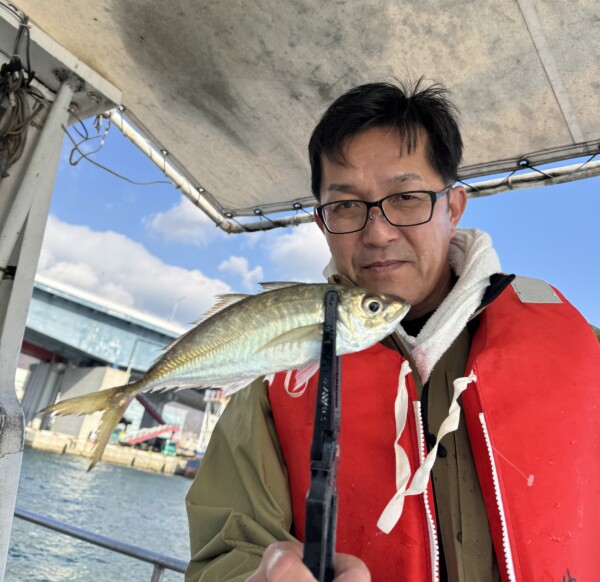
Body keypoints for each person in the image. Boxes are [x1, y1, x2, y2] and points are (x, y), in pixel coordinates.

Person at [185, 80, 600, 582]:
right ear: (322, 222)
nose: (377, 232)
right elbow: (226, 551)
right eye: (346, 206)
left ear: (453, 207)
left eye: (405, 197)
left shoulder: (582, 345)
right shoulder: (272, 380)